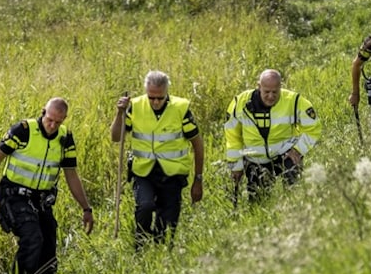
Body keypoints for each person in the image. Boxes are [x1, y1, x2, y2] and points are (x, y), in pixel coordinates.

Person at [0, 97, 95, 274]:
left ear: (64, 120)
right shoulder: (23, 131)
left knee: (48, 240)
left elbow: (71, 175)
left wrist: (86, 208)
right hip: (13, 195)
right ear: (43, 112)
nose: (52, 125)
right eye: (49, 119)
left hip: (41, 199)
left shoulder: (65, 138)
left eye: (58, 122)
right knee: (32, 237)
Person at [111, 70, 204, 248]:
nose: (155, 102)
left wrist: (198, 179)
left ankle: (160, 254)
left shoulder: (180, 108)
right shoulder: (135, 106)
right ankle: (141, 249)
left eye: (159, 98)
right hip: (143, 172)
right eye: (151, 97)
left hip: (173, 175)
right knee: (144, 207)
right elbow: (116, 137)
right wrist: (120, 114)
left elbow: (198, 144)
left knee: (167, 227)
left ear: (166, 93)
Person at [225, 69, 321, 203]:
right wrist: (236, 166)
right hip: (256, 161)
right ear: (258, 87)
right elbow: (232, 136)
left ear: (280, 88)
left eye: (275, 92)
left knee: (295, 197)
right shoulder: (240, 103)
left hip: (285, 155)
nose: (271, 96)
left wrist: (298, 150)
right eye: (266, 92)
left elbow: (313, 128)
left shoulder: (293, 101)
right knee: (258, 204)